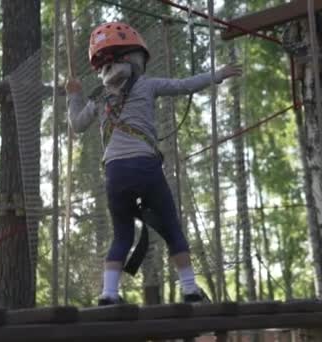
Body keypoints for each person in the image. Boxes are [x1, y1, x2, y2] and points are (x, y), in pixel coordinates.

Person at [65, 22, 242, 306]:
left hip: (115, 172)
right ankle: (189, 290)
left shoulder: (99, 98)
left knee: (122, 233)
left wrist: (74, 94)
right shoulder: (147, 85)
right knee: (171, 227)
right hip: (145, 167)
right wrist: (218, 74)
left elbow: (77, 124)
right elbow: (184, 86)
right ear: (136, 58)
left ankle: (109, 294)